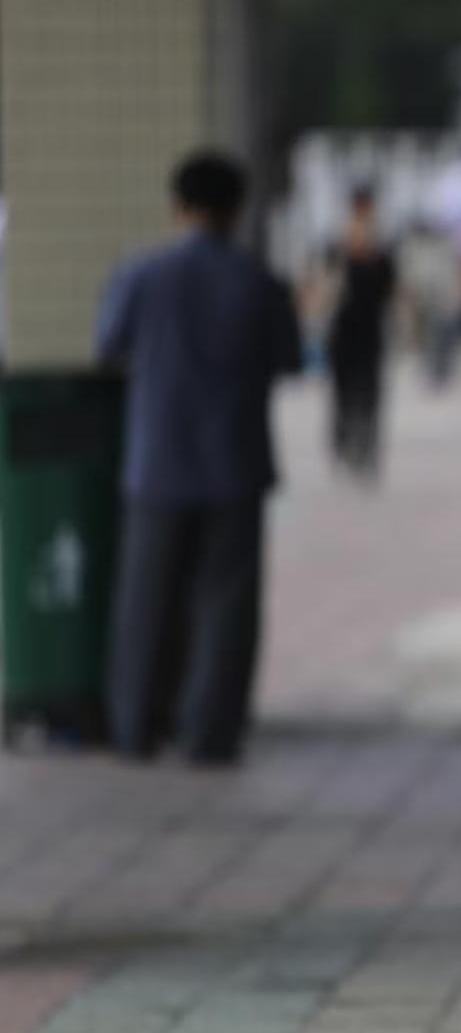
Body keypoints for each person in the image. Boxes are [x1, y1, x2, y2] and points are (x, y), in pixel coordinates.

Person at [95, 150, 303, 765]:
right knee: (226, 605)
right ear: (236, 210)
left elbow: (109, 347)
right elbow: (290, 360)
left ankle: (134, 726)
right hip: (235, 463)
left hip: (157, 462)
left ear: (177, 204)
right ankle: (210, 733)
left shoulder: (140, 274)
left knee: (145, 603)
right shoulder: (260, 281)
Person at [320, 184, 398, 478]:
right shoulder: (338, 246)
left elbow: (392, 288)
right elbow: (324, 285)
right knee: (342, 391)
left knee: (370, 391)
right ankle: (343, 443)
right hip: (344, 325)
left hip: (371, 326)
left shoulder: (382, 249)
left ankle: (365, 447)